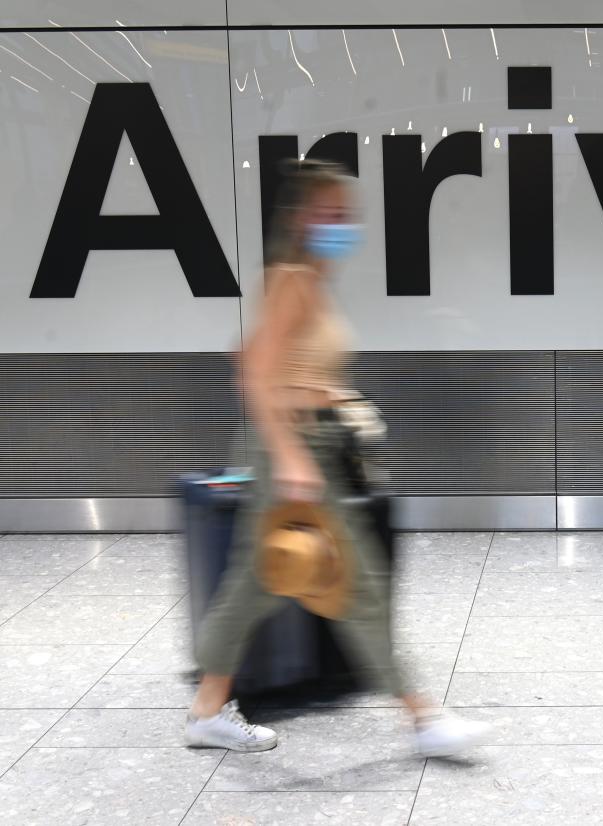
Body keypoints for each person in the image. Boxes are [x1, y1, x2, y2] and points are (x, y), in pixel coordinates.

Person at [184, 160, 488, 756]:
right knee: (359, 584)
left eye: (346, 214)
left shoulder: (308, 281)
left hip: (308, 443)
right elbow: (256, 377)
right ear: (300, 218)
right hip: (295, 451)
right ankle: (423, 719)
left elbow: (248, 355)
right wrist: (293, 454)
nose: (341, 223)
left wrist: (332, 394)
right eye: (328, 213)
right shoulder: (293, 279)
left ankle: (206, 711)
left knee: (256, 583)